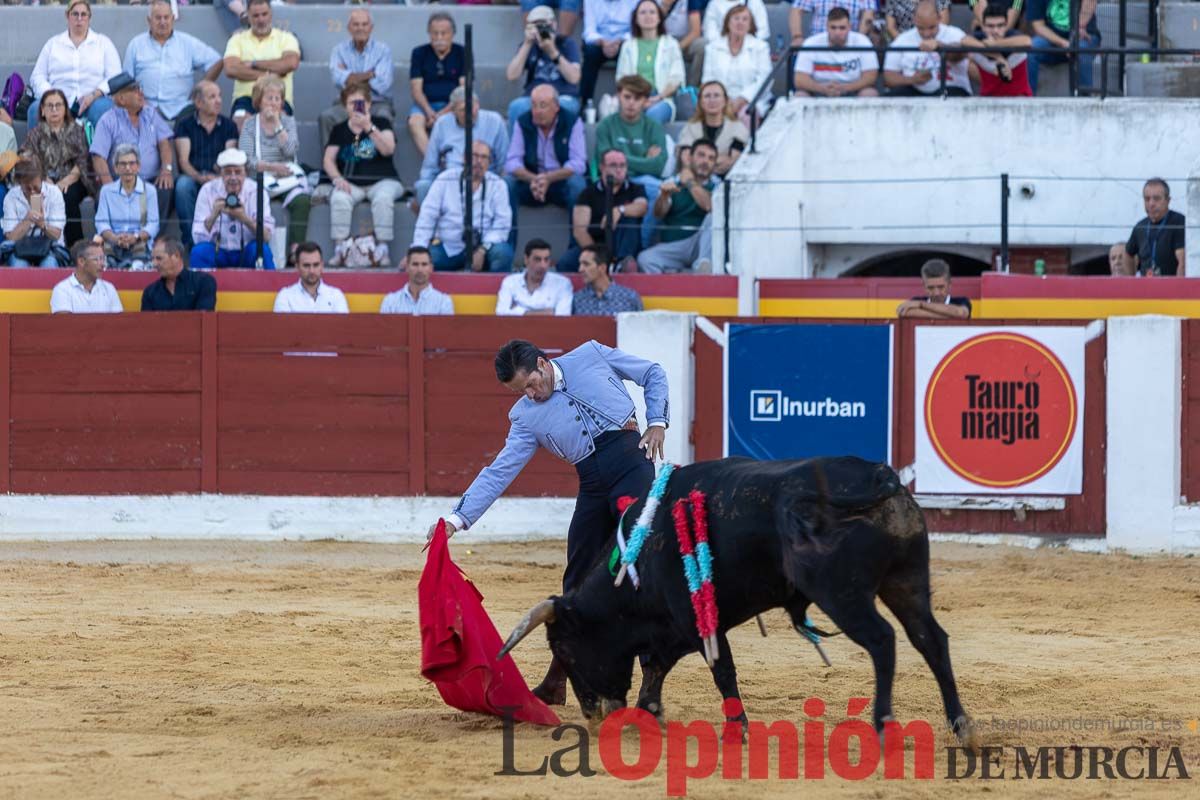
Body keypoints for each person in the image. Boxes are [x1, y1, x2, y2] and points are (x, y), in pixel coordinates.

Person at [430, 337, 668, 704]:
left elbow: (653, 373)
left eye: (530, 384)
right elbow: (499, 471)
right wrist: (456, 520)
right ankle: (558, 680)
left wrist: (657, 421)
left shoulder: (590, 355)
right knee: (577, 582)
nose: (531, 394)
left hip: (632, 465)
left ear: (542, 364)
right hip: (592, 485)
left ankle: (650, 689)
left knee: (636, 567)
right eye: (519, 391)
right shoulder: (525, 416)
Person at [324, 82, 406, 268]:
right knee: (339, 198)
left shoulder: (382, 123)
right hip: (352, 183)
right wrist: (337, 178)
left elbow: (388, 149)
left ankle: (383, 248)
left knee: (383, 199)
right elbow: (328, 159)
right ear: (345, 106)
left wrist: (369, 127)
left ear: (368, 104)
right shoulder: (339, 129)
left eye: (360, 102)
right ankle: (340, 249)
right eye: (351, 103)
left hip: (384, 181)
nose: (356, 107)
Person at [503, 85, 587, 250]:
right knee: (506, 184)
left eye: (543, 105)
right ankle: (508, 248)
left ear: (556, 107)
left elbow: (578, 164)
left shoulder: (572, 122)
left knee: (577, 185)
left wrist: (549, 178)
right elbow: (512, 162)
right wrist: (534, 179)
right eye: (533, 105)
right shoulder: (523, 122)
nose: (537, 111)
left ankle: (575, 251)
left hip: (560, 182)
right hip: (531, 182)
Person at [238, 75, 311, 265]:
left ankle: (296, 252)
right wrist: (272, 167)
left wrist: (278, 125)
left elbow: (291, 150)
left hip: (287, 180)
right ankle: (260, 252)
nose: (274, 103)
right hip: (260, 179)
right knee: (256, 199)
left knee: (302, 200)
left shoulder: (288, 122)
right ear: (258, 101)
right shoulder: (249, 124)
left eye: (278, 98)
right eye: (269, 98)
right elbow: (246, 160)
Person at [414, 141, 514, 273]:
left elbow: (503, 224)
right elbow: (427, 216)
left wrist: (483, 250)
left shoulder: (498, 185)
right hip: (449, 247)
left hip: (484, 248)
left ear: (489, 162)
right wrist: (417, 250)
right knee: (426, 261)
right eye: (474, 156)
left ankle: (494, 292)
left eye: (484, 157)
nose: (479, 161)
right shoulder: (445, 179)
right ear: (464, 158)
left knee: (503, 253)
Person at [89, 73, 175, 223]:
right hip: (122, 180)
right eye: (135, 90)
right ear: (121, 98)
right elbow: (98, 157)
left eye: (139, 88)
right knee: (104, 196)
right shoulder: (108, 121)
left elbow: (165, 143)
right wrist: (110, 187)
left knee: (165, 189)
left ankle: (149, 239)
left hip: (151, 180)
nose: (141, 93)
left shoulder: (150, 113)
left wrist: (166, 169)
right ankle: (118, 242)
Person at [595, 75, 667, 248]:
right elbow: (604, 161)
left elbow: (658, 165)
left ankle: (642, 245)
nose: (631, 103)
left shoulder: (654, 127)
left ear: (646, 102)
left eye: (637, 98)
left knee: (661, 193)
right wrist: (643, 160)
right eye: (627, 97)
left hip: (643, 181)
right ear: (618, 96)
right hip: (613, 181)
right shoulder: (606, 125)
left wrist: (619, 160)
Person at [124, 0, 223, 123]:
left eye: (166, 17)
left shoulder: (187, 43)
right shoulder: (136, 44)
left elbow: (216, 61)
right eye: (158, 18)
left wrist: (201, 87)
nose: (163, 22)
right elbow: (126, 82)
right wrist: (140, 102)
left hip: (182, 109)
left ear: (173, 19)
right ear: (149, 21)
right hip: (145, 108)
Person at [19, 88, 95, 249]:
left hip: (73, 178)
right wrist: (44, 179)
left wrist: (64, 181)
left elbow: (83, 160)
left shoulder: (76, 130)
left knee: (68, 196)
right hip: (44, 179)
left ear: (65, 109)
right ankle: (45, 247)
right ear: (43, 110)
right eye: (50, 106)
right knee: (37, 193)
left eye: (58, 105)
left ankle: (75, 247)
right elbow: (26, 156)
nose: (54, 110)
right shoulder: (36, 132)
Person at [28, 0, 121, 128]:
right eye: (75, 14)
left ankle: (97, 148)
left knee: (103, 108)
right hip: (57, 98)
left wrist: (94, 95)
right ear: (67, 16)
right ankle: (40, 148)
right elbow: (37, 76)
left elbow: (115, 76)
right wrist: (52, 96)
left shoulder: (103, 43)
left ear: (89, 17)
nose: (79, 19)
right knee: (34, 110)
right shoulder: (53, 44)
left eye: (83, 14)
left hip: (94, 101)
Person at [560, 148, 648, 272]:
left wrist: (619, 210)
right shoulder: (587, 193)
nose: (619, 170)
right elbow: (580, 232)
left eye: (622, 165)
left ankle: (621, 265)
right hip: (595, 245)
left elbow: (642, 207)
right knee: (565, 263)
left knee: (629, 218)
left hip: (623, 244)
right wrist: (598, 257)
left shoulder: (635, 189)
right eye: (613, 165)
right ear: (602, 167)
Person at [174, 82, 239, 250]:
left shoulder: (229, 126)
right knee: (182, 186)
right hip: (194, 176)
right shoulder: (184, 125)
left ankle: (225, 244)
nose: (218, 101)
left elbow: (229, 158)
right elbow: (183, 161)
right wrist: (199, 177)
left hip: (220, 178)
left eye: (219, 96)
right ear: (198, 103)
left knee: (232, 183)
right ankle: (192, 242)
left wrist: (217, 177)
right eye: (212, 97)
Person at [637, 138, 717, 274]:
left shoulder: (717, 185)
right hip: (674, 246)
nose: (705, 161)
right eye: (701, 155)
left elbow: (708, 205)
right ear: (690, 158)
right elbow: (659, 213)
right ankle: (666, 291)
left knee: (714, 216)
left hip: (700, 245)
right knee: (645, 259)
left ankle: (702, 267)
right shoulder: (672, 181)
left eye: (711, 158)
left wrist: (690, 182)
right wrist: (664, 196)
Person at [319, 8, 395, 149]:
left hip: (376, 103)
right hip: (347, 103)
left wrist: (349, 76)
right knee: (326, 117)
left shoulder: (383, 50)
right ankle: (329, 166)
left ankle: (384, 167)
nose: (360, 28)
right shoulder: (338, 50)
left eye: (364, 24)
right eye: (356, 24)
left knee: (384, 118)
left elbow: (383, 84)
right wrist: (370, 74)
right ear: (349, 28)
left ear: (371, 27)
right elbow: (338, 80)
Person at [416, 88, 509, 203]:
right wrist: (427, 181)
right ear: (453, 110)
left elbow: (504, 163)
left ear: (478, 105)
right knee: (423, 186)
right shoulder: (442, 124)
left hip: (485, 179)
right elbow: (430, 165)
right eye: (464, 109)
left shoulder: (495, 121)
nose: (470, 112)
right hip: (450, 181)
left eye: (473, 107)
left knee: (508, 183)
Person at [191, 148, 276, 270]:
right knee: (199, 252)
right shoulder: (208, 190)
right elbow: (197, 239)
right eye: (228, 172)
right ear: (220, 174)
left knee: (261, 250)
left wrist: (245, 218)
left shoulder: (256, 191)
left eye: (238, 172)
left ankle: (270, 288)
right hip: (218, 251)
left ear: (245, 173)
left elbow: (267, 237)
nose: (233, 177)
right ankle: (199, 289)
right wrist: (214, 214)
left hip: (246, 251)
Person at [223, 0, 301, 123]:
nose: (261, 20)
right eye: (256, 16)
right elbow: (230, 69)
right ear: (248, 16)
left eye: (264, 14)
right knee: (240, 120)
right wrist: (269, 76)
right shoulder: (237, 40)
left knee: (277, 122)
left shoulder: (286, 38)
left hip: (278, 99)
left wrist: (254, 64)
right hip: (245, 98)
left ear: (271, 14)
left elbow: (291, 63)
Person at [506, 5, 582, 127]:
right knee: (516, 107)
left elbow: (574, 78)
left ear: (554, 25)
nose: (540, 29)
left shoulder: (566, 44)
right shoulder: (528, 46)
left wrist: (552, 52)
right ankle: (517, 146)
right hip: (533, 98)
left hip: (563, 96)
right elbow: (511, 75)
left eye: (543, 25)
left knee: (563, 107)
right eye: (534, 25)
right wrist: (527, 44)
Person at [616, 0, 686, 125]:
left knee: (652, 116)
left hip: (662, 98)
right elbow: (622, 78)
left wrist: (658, 98)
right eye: (643, 13)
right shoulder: (628, 45)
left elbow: (677, 78)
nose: (648, 16)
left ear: (659, 17)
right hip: (634, 97)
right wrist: (638, 100)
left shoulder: (671, 44)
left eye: (652, 12)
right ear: (636, 19)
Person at [883, 1, 972, 97]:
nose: (926, 33)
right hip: (915, 91)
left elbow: (962, 53)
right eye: (921, 28)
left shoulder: (954, 34)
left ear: (939, 18)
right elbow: (888, 78)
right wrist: (913, 80)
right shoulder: (902, 40)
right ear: (914, 20)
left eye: (931, 27)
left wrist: (940, 47)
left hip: (951, 90)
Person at [702, 5, 774, 122]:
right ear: (727, 22)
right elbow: (707, 79)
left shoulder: (760, 47)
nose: (740, 22)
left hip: (752, 100)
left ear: (750, 25)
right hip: (719, 100)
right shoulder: (713, 48)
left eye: (745, 19)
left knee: (746, 116)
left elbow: (765, 79)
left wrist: (743, 99)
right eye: (736, 18)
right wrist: (723, 100)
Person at [408, 12, 465, 157]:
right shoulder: (419, 53)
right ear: (429, 33)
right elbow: (416, 90)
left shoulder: (462, 52)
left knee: (461, 114)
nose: (439, 38)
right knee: (414, 122)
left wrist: (443, 113)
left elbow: (463, 90)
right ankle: (434, 162)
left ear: (452, 33)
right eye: (435, 33)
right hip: (425, 105)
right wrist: (429, 112)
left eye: (444, 33)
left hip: (453, 104)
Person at [95, 143, 159, 269]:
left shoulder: (149, 191)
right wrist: (115, 238)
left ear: (138, 166)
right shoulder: (107, 191)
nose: (128, 168)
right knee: (107, 268)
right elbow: (101, 223)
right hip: (113, 243)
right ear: (116, 168)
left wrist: (135, 237)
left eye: (132, 163)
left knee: (137, 267)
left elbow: (154, 224)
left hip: (140, 242)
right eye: (123, 164)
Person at [794, 7, 881, 98]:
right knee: (800, 95)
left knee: (870, 93)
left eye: (842, 28)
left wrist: (845, 88)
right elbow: (799, 79)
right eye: (833, 27)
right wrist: (822, 89)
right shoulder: (811, 43)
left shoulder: (862, 41)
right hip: (819, 91)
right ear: (827, 27)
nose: (837, 32)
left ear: (849, 27)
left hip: (854, 91)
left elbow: (871, 76)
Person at [1, 157, 67, 268]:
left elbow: (56, 235)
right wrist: (28, 220)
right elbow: (10, 237)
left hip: (50, 248)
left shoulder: (54, 193)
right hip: (19, 248)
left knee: (49, 265)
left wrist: (42, 225)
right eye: (27, 188)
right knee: (18, 266)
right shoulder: (11, 197)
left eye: (36, 188)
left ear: (42, 179)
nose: (32, 192)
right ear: (19, 183)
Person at [1027, 0, 1100, 94]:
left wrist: (1080, 26)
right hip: (1052, 40)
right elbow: (1038, 26)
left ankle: (1085, 102)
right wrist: (1063, 43)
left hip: (1083, 36)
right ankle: (1028, 100)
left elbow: (1090, 1)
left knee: (1081, 50)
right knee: (1032, 48)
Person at [677, 81, 748, 176]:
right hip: (692, 179)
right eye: (707, 96)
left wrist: (699, 160)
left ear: (725, 101)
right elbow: (686, 159)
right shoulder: (691, 127)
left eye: (716, 95)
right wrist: (715, 160)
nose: (712, 100)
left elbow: (729, 162)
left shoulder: (738, 128)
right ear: (701, 102)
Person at [580, 0, 639, 105]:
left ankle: (628, 103)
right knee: (590, 52)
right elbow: (589, 31)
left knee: (630, 51)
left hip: (624, 41)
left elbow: (635, 30)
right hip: (599, 42)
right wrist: (603, 42)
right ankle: (585, 103)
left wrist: (620, 42)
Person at [965, 5, 1033, 97]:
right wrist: (998, 57)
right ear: (983, 27)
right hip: (987, 101)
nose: (995, 30)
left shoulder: (1013, 35)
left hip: (1020, 100)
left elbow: (1027, 41)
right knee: (966, 60)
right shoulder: (979, 37)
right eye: (990, 26)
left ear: (1006, 26)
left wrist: (995, 44)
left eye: (1000, 25)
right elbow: (964, 41)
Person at [1124, 178, 1186, 277]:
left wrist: (1178, 289)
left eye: (1156, 198)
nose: (1151, 204)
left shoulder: (1179, 222)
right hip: (1145, 288)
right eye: (1147, 199)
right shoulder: (1140, 226)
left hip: (1169, 287)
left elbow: (1182, 263)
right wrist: (1132, 281)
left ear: (1168, 200)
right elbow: (1128, 254)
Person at [496, 239, 573, 315]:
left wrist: (517, 310)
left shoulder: (562, 283)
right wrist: (547, 313)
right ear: (526, 259)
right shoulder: (510, 282)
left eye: (546, 260)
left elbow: (562, 317)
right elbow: (501, 313)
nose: (543, 265)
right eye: (537, 259)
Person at [142, 238, 218, 311]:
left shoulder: (204, 282)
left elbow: (204, 319)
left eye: (159, 258)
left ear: (176, 256)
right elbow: (147, 323)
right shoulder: (150, 292)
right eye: (152, 259)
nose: (154, 264)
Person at [273, 243, 350, 314]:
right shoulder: (285, 296)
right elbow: (283, 328)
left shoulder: (336, 296)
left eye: (316, 265)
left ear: (322, 265)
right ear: (297, 267)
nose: (312, 271)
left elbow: (342, 327)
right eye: (306, 265)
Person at [51, 239, 123, 314]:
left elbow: (118, 322)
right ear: (81, 261)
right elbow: (64, 324)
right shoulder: (62, 289)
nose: (102, 264)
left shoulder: (109, 288)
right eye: (97, 259)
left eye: (103, 259)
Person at [380, 246, 456, 315]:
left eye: (424, 264)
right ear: (407, 267)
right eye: (415, 264)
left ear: (431, 268)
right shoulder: (390, 302)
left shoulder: (443, 302)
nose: (420, 270)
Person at [572, 243, 644, 315]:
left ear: (602, 268)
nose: (580, 269)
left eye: (586, 264)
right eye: (580, 264)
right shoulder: (577, 299)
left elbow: (640, 325)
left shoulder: (629, 297)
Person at [896, 258, 972, 318]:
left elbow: (961, 314)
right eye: (931, 288)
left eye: (941, 287)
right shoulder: (915, 300)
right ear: (924, 286)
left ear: (949, 284)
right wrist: (950, 317)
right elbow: (903, 311)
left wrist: (921, 305)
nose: (936, 293)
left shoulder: (961, 301)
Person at [790, 0, 876, 46]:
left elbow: (868, 14)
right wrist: (797, 37)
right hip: (818, 45)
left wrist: (858, 39)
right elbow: (796, 10)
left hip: (850, 45)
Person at [703, 0, 771, 44]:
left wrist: (745, 44)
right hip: (720, 51)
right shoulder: (714, 4)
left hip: (751, 51)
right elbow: (710, 34)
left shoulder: (755, 2)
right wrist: (728, 45)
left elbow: (763, 31)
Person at [886, 0, 950, 37]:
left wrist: (932, 43)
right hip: (904, 43)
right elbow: (890, 27)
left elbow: (943, 24)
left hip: (934, 40)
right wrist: (905, 43)